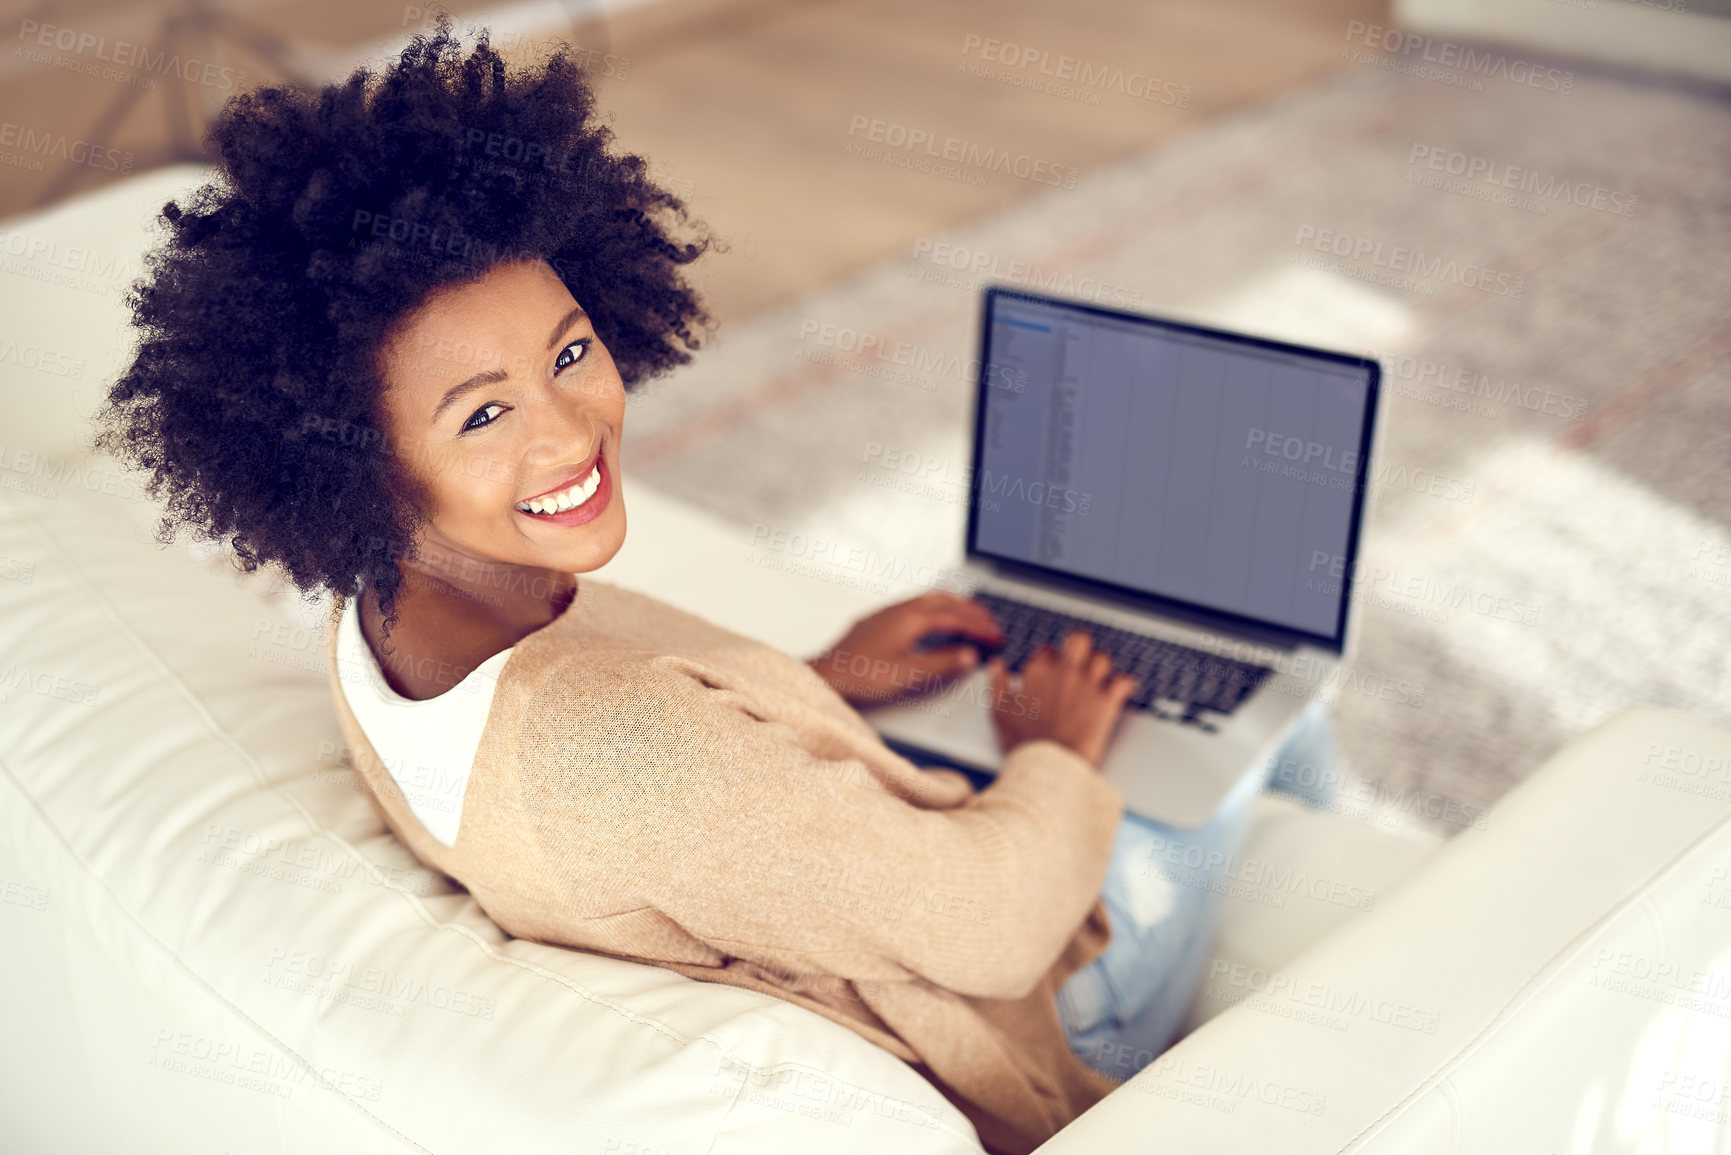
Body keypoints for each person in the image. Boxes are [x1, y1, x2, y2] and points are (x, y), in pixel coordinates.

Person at [94, 21, 1340, 1153]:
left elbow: (672, 784)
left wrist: (829, 674)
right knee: (1286, 709)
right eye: (483, 414)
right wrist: (1056, 753)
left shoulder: (387, 618)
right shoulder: (621, 752)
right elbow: (994, 934)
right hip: (1027, 1011)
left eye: (570, 350)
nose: (571, 431)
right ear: (347, 457)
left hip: (868, 850)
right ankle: (1327, 983)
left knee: (1238, 705)